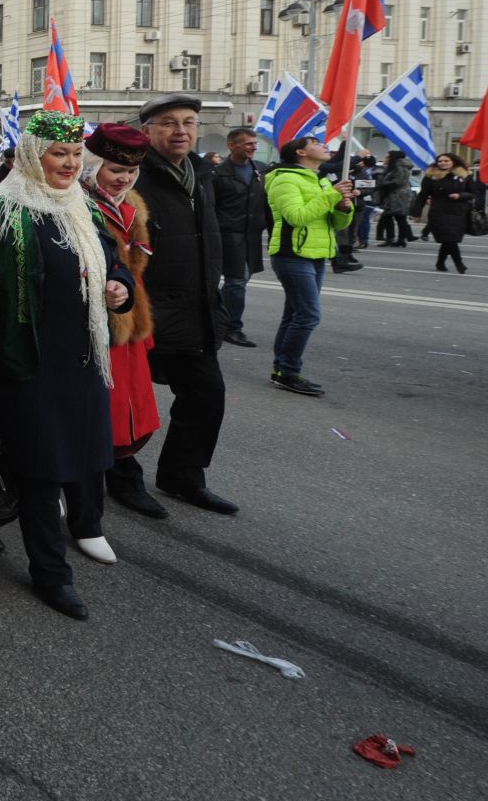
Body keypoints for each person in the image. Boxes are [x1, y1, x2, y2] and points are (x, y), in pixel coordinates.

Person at [0, 111, 135, 620]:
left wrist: (120, 289)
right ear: (32, 156)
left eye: (77, 155)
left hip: (82, 360)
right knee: (41, 471)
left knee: (78, 459)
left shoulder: (84, 205)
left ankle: (2, 520)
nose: (70, 163)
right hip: (27, 361)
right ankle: (51, 573)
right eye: (60, 154)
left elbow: (112, 260)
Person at [122, 93, 237, 518]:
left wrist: (219, 306)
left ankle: (183, 475)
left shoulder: (202, 175)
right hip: (142, 317)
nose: (180, 130)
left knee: (207, 397)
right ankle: (122, 477)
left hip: (196, 312)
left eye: (188, 122)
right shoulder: (131, 178)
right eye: (168, 122)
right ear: (148, 130)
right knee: (128, 405)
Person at [79, 123, 160, 566]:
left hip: (127, 321)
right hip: (88, 326)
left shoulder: (131, 205)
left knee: (124, 415)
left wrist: (131, 274)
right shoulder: (75, 204)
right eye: (115, 168)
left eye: (131, 170)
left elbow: (142, 250)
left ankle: (87, 495)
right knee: (90, 418)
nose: (123, 178)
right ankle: (71, 502)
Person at [263, 137, 356, 395]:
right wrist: (331, 194)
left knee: (294, 315)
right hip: (291, 254)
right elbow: (296, 217)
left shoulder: (320, 179)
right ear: (300, 152)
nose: (324, 145)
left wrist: (343, 207)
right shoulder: (284, 179)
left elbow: (336, 224)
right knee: (308, 315)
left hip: (316, 254)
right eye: (315, 142)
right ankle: (289, 372)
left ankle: (281, 370)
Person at [209, 127, 269, 348]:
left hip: (251, 236)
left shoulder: (260, 170)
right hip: (228, 236)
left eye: (255, 143)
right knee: (237, 281)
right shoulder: (217, 174)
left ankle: (219, 317)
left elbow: (265, 204)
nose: (254, 147)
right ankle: (232, 327)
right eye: (248, 143)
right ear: (232, 146)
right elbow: (210, 207)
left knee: (240, 280)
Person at [412, 153, 476, 274]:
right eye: (440, 161)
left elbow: (473, 193)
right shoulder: (431, 176)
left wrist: (460, 195)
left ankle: (440, 262)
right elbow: (422, 195)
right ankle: (459, 264)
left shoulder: (464, 174)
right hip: (439, 212)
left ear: (453, 162)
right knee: (449, 238)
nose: (443, 163)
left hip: (459, 212)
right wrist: (417, 213)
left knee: (450, 239)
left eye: (446, 161)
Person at [375, 150, 418, 245]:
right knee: (396, 218)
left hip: (398, 196)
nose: (385, 159)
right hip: (394, 195)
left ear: (392, 158)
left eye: (387, 156)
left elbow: (397, 181)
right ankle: (398, 240)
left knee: (393, 217)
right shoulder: (395, 167)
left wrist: (382, 183)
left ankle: (395, 239)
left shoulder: (399, 167)